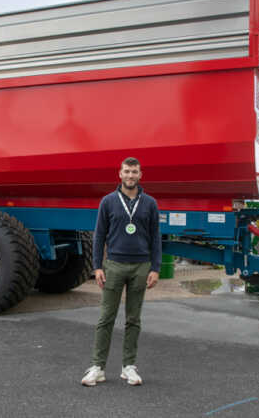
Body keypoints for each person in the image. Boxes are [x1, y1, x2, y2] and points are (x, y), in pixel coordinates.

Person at [81, 157, 161, 387]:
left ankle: (129, 367)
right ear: (120, 174)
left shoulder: (150, 203)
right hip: (114, 265)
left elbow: (156, 237)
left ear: (140, 175)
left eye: (134, 172)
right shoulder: (108, 201)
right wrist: (97, 266)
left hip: (141, 266)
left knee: (133, 319)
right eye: (127, 171)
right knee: (106, 317)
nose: (130, 176)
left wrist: (155, 268)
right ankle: (98, 367)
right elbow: (99, 235)